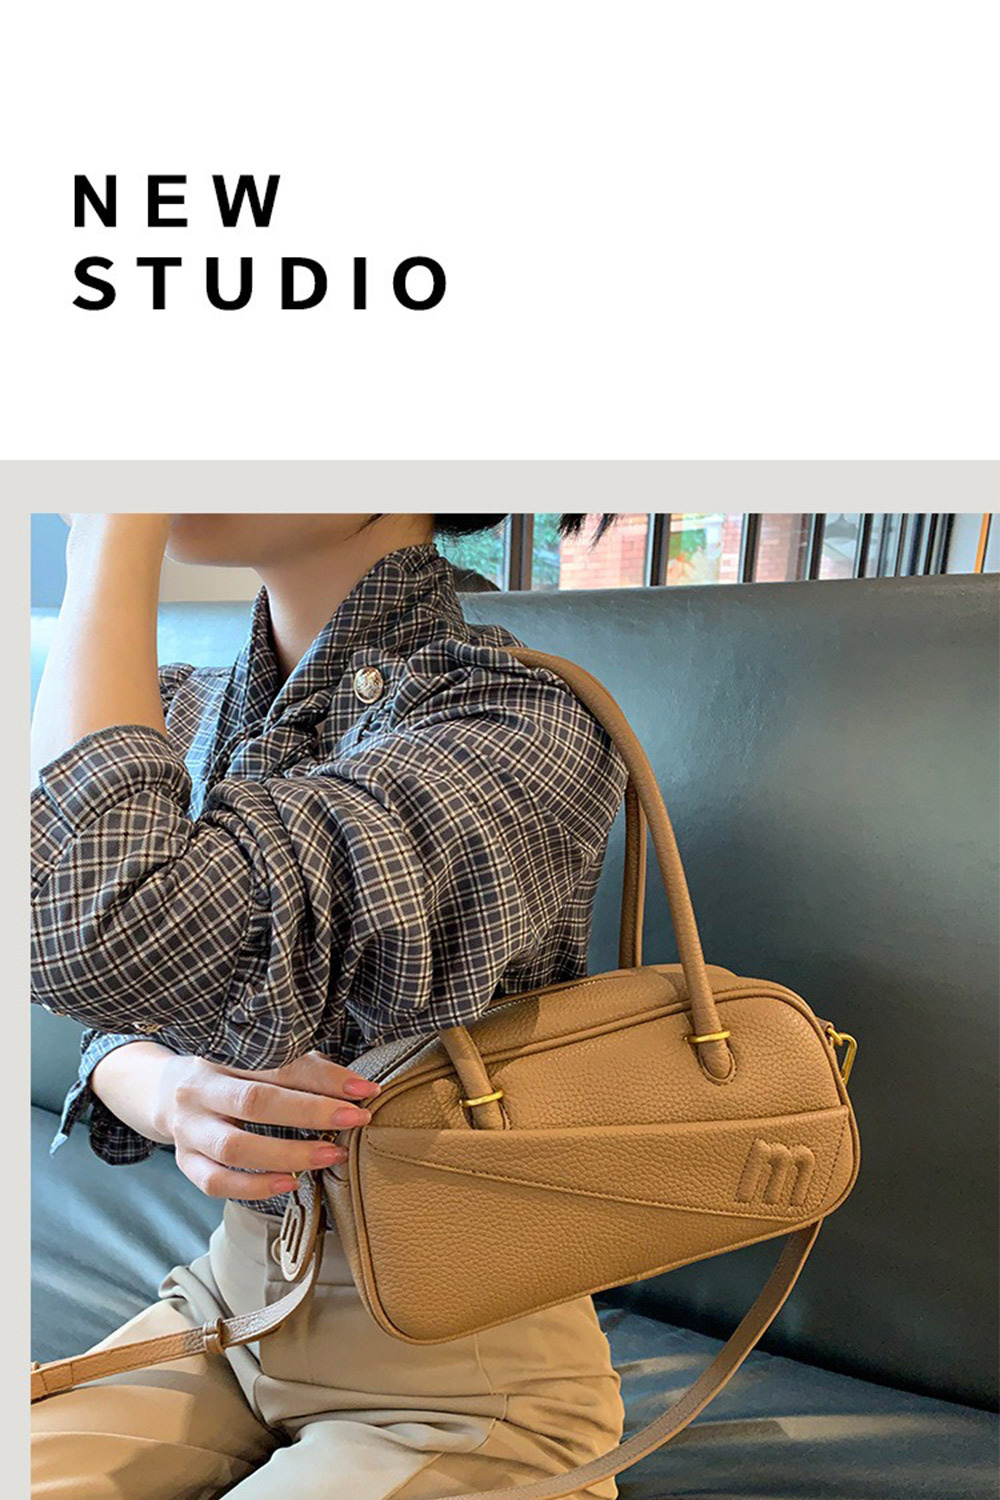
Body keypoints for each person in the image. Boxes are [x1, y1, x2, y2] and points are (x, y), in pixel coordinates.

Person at [30, 510, 629, 1499]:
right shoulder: (190, 705)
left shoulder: (516, 724)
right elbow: (105, 989)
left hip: (464, 1386)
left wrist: (107, 533)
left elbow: (101, 926)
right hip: (230, 1309)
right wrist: (161, 1088)